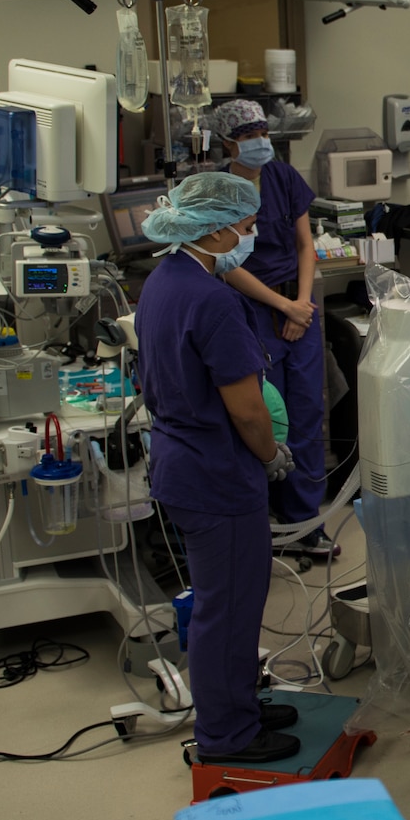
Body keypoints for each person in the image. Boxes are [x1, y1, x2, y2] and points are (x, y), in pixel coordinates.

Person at [134, 173, 299, 764]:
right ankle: (226, 736)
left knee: (226, 603)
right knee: (225, 611)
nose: (251, 234)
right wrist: (271, 455)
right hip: (217, 474)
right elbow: (248, 411)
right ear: (216, 227)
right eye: (247, 225)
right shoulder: (213, 301)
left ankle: (239, 706)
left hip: (184, 463)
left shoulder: (164, 281)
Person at [211, 99, 332, 558]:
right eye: (248, 135)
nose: (260, 141)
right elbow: (224, 262)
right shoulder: (219, 190)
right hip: (254, 311)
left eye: (263, 131)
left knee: (305, 413)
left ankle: (305, 523)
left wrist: (301, 304)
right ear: (228, 143)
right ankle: (263, 522)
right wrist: (283, 306)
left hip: (296, 304)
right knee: (264, 418)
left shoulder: (282, 177)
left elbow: (305, 244)